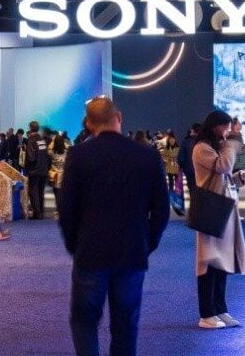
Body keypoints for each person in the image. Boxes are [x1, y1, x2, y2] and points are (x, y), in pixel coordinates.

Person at [59, 96, 169, 356]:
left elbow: (67, 209)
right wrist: (147, 243)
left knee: (84, 321)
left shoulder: (78, 155)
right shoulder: (147, 155)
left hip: (90, 252)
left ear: (88, 124)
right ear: (118, 117)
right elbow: (161, 210)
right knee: (126, 325)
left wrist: (75, 245)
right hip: (132, 251)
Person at [192, 109, 245, 329]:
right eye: (225, 126)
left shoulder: (215, 148)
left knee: (223, 262)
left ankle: (220, 309)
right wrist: (231, 145)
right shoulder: (202, 148)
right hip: (211, 210)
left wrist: (238, 178)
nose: (227, 131)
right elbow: (223, 166)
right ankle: (206, 314)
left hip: (223, 209)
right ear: (214, 126)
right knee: (209, 262)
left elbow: (223, 175)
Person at [24, 121, 50, 219]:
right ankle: (41, 212)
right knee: (40, 191)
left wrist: (27, 166)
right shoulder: (42, 140)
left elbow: (31, 157)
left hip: (34, 170)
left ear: (30, 128)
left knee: (33, 191)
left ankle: (37, 213)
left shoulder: (31, 140)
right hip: (43, 169)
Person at [177, 123, 200, 205]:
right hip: (201, 171)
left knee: (192, 189)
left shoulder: (186, 142)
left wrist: (180, 167)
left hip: (189, 170)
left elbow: (181, 158)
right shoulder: (204, 142)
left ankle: (194, 206)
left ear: (193, 131)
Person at [49, 133, 69, 213]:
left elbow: (49, 147)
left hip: (55, 175)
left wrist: (53, 140)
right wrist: (63, 142)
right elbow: (68, 146)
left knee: (56, 193)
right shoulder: (67, 152)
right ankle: (64, 208)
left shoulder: (52, 152)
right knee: (64, 193)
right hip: (64, 175)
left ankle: (58, 209)